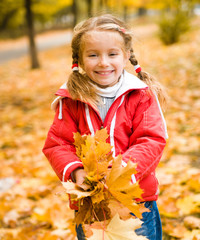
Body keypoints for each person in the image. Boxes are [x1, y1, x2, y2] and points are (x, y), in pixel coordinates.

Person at [43, 14, 168, 240]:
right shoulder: (71, 100)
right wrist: (76, 171)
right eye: (93, 55)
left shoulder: (140, 95)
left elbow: (151, 139)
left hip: (135, 201)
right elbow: (57, 144)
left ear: (126, 55)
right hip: (92, 205)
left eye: (112, 54)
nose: (103, 62)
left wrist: (120, 174)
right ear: (80, 60)